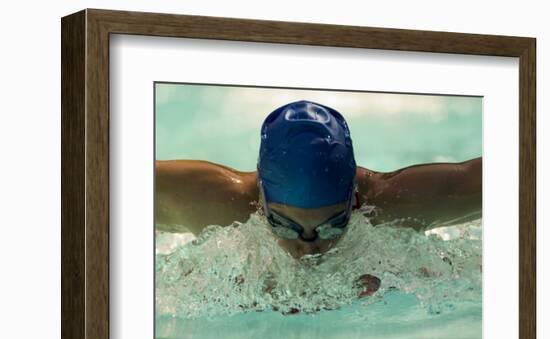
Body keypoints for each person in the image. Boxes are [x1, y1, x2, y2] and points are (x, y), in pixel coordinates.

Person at [155, 100, 482, 264]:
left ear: (354, 199)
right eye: (284, 225)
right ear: (261, 199)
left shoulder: (397, 206)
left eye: (333, 226)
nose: (309, 249)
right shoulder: (213, 204)